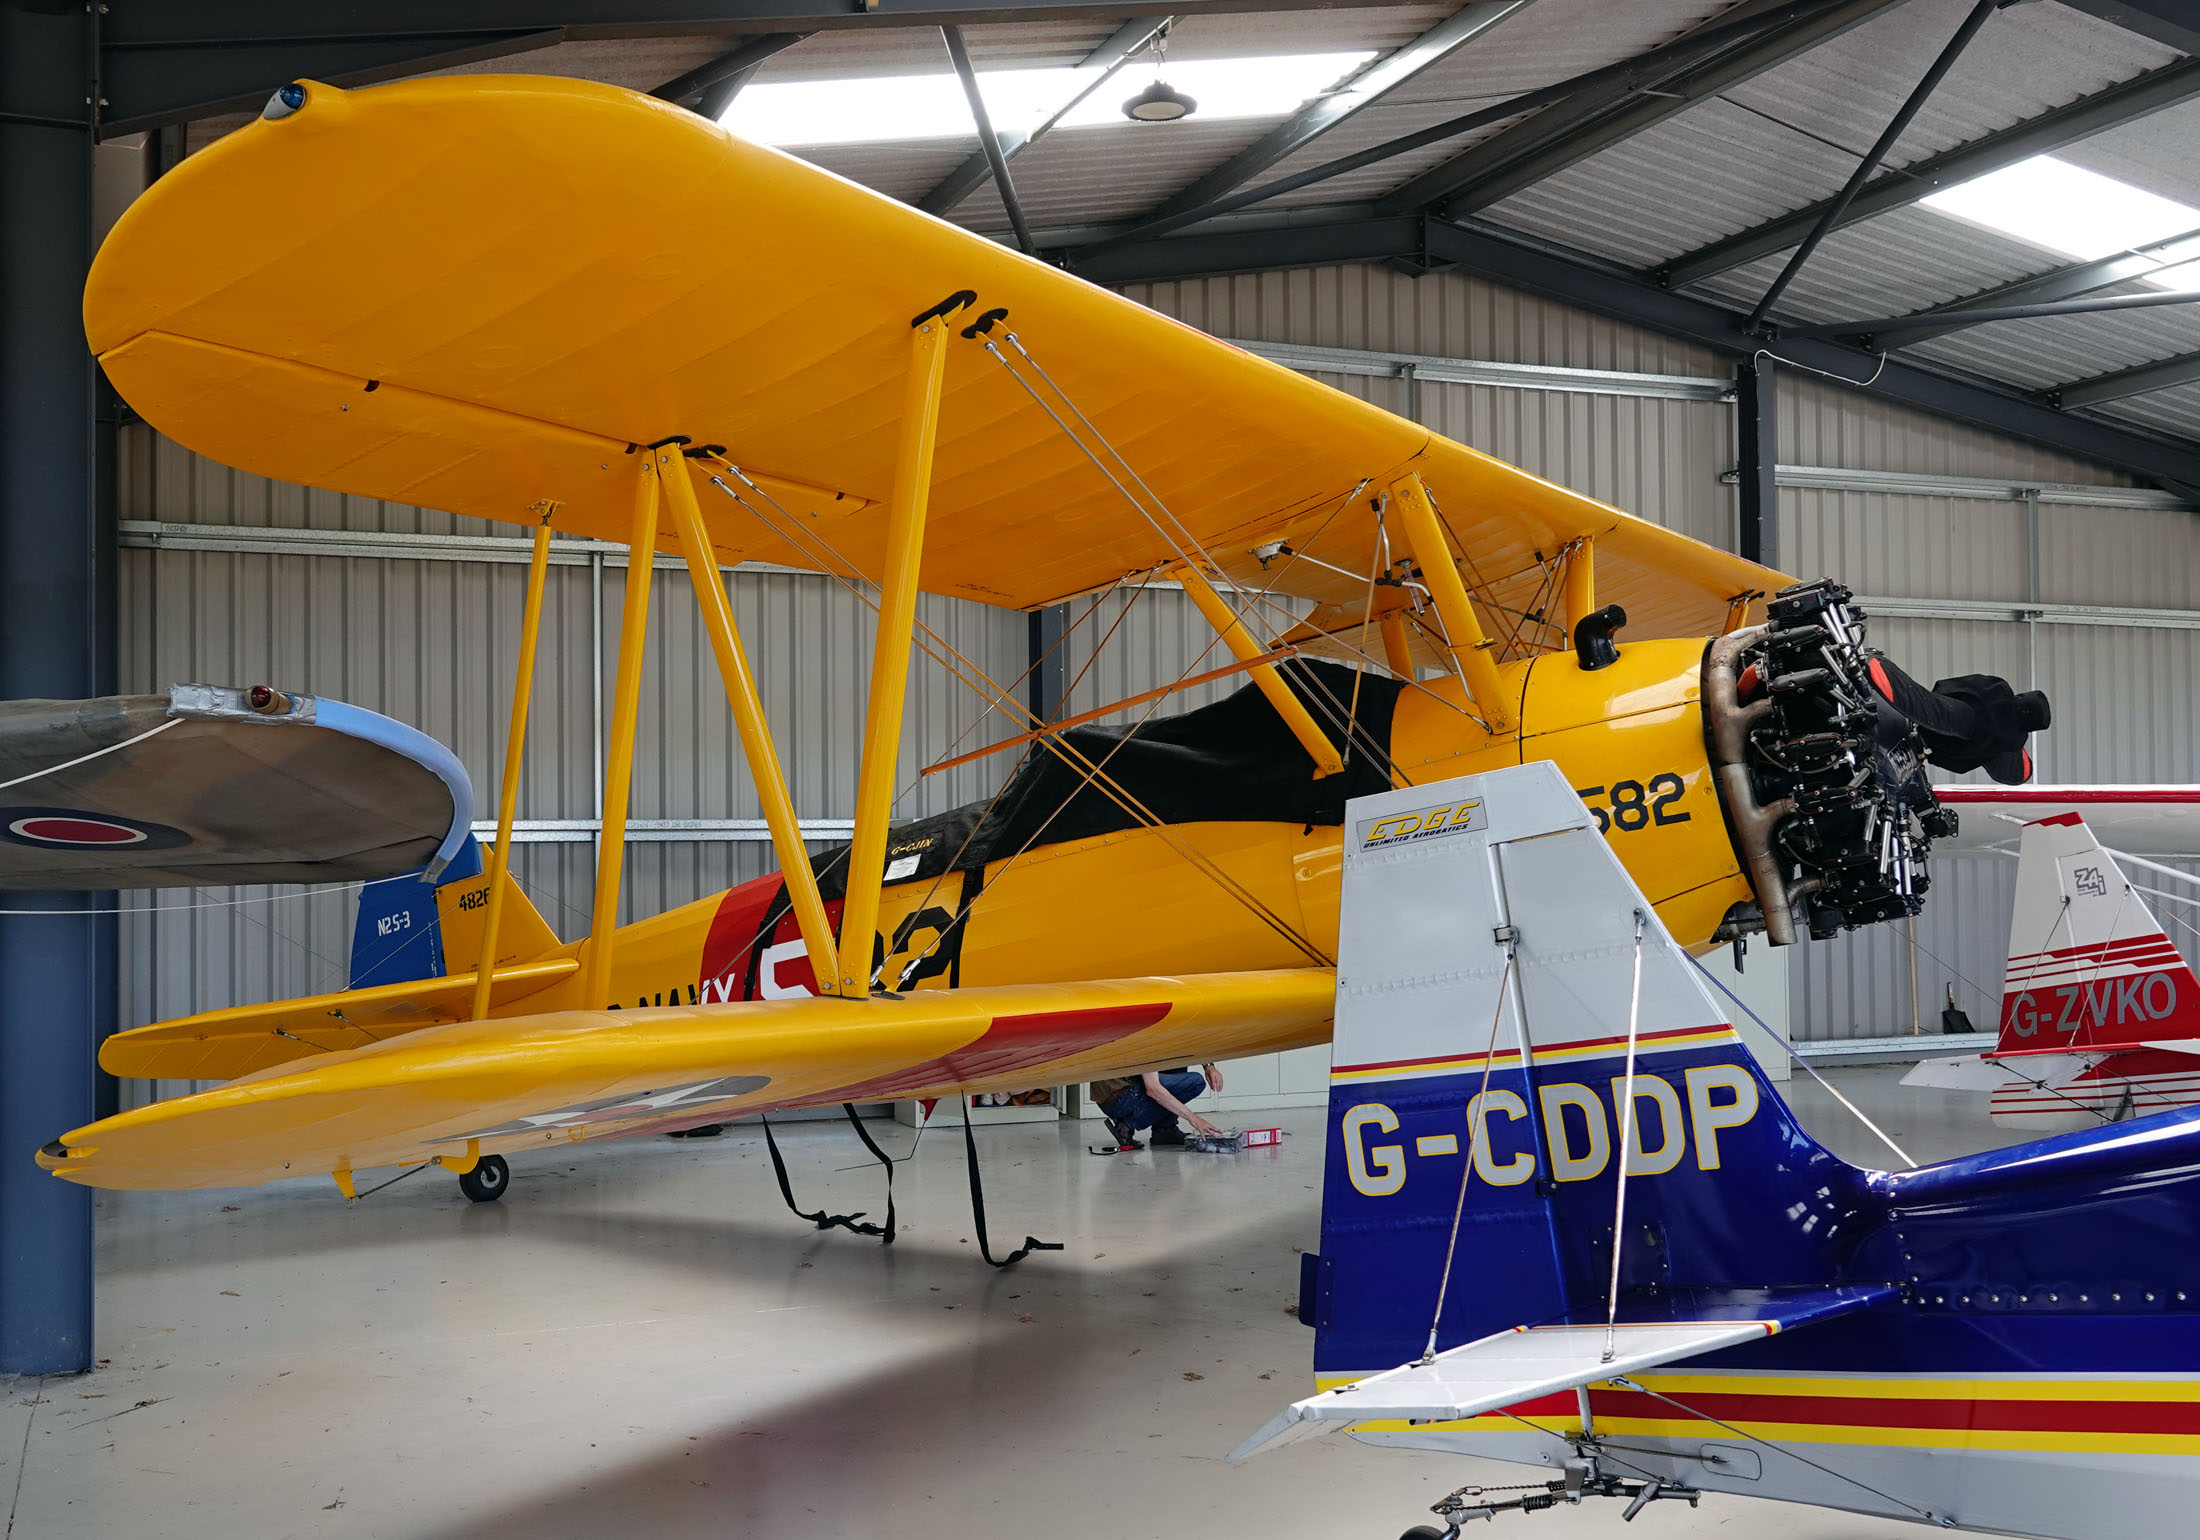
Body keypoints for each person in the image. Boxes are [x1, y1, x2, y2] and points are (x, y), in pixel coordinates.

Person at [1090, 1063, 1224, 1148]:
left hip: (1110, 1094)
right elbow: (1153, 1089)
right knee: (1195, 1082)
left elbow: (1187, 1041)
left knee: (1177, 1061)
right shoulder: (1146, 1031)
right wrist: (1194, 1119)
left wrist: (1208, 1066)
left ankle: (1165, 1131)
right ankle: (1127, 1124)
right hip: (1120, 1097)